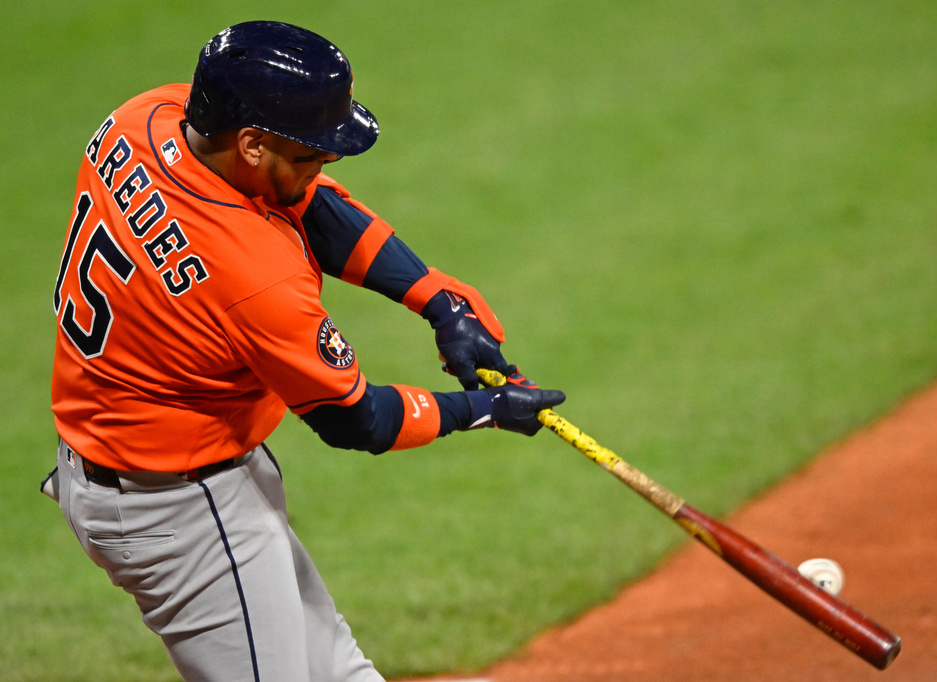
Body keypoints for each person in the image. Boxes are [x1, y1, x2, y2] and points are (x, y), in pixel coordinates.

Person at [44, 20, 565, 682]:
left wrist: (437, 300)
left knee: (339, 673)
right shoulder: (255, 278)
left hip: (135, 465)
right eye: (312, 154)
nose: (324, 168)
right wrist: (485, 408)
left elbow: (309, 205)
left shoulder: (144, 119)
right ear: (254, 143)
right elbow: (358, 420)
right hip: (179, 513)